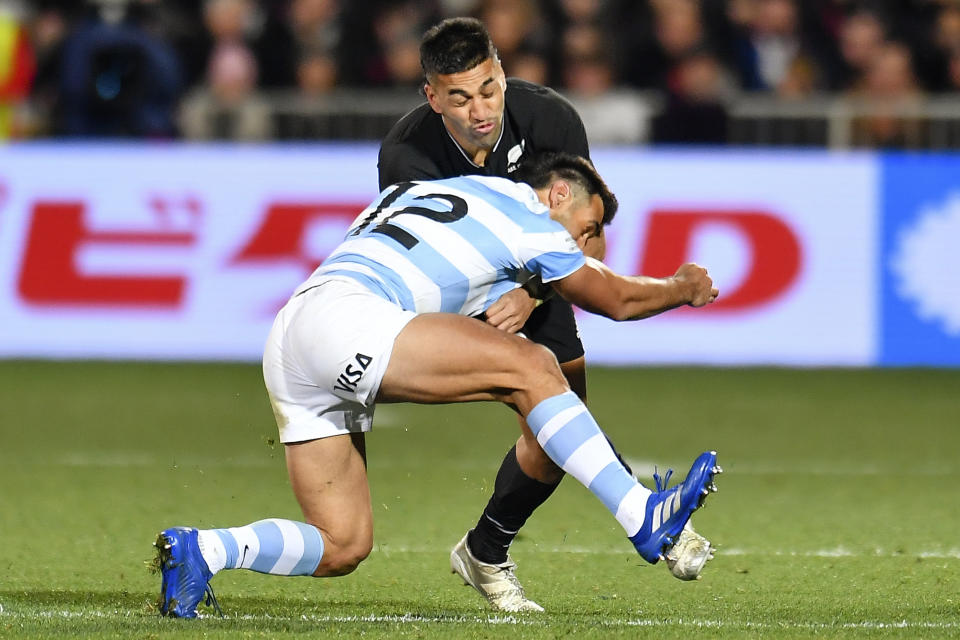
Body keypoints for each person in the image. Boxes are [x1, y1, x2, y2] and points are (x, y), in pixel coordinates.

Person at [153, 151, 722, 619]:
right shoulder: (526, 214)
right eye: (588, 229)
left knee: (342, 541)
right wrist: (681, 287)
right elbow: (615, 299)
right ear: (556, 196)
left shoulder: (428, 192)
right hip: (351, 319)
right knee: (533, 369)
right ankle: (640, 516)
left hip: (294, 334)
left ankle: (203, 549)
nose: (588, 247)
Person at [377, 17, 713, 612]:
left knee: (559, 422)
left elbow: (588, 233)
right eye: (459, 96)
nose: (480, 108)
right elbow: (427, 261)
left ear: (501, 70)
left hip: (541, 281)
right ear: (432, 97)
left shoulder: (551, 120)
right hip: (457, 294)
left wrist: (532, 293)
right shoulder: (406, 155)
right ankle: (646, 518)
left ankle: (483, 552)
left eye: (488, 87)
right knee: (551, 406)